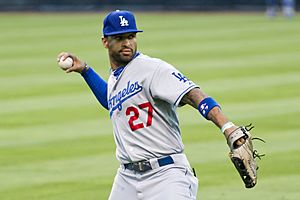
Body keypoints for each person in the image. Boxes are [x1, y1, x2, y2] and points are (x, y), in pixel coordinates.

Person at [57, 10, 247, 200]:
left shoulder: (152, 68)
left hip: (165, 175)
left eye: (131, 36)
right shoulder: (117, 76)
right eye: (120, 38)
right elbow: (112, 101)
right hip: (127, 177)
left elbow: (193, 95)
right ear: (105, 42)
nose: (127, 43)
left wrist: (227, 127)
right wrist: (85, 71)